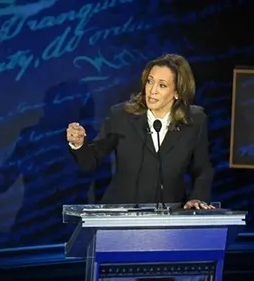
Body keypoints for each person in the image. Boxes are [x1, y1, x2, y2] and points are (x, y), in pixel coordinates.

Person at [66, 53, 215, 209]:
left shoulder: (194, 121)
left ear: (177, 91)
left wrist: (197, 198)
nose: (152, 90)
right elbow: (90, 161)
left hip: (169, 215)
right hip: (121, 214)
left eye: (162, 85)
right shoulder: (122, 116)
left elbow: (202, 169)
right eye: (150, 82)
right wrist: (79, 144)